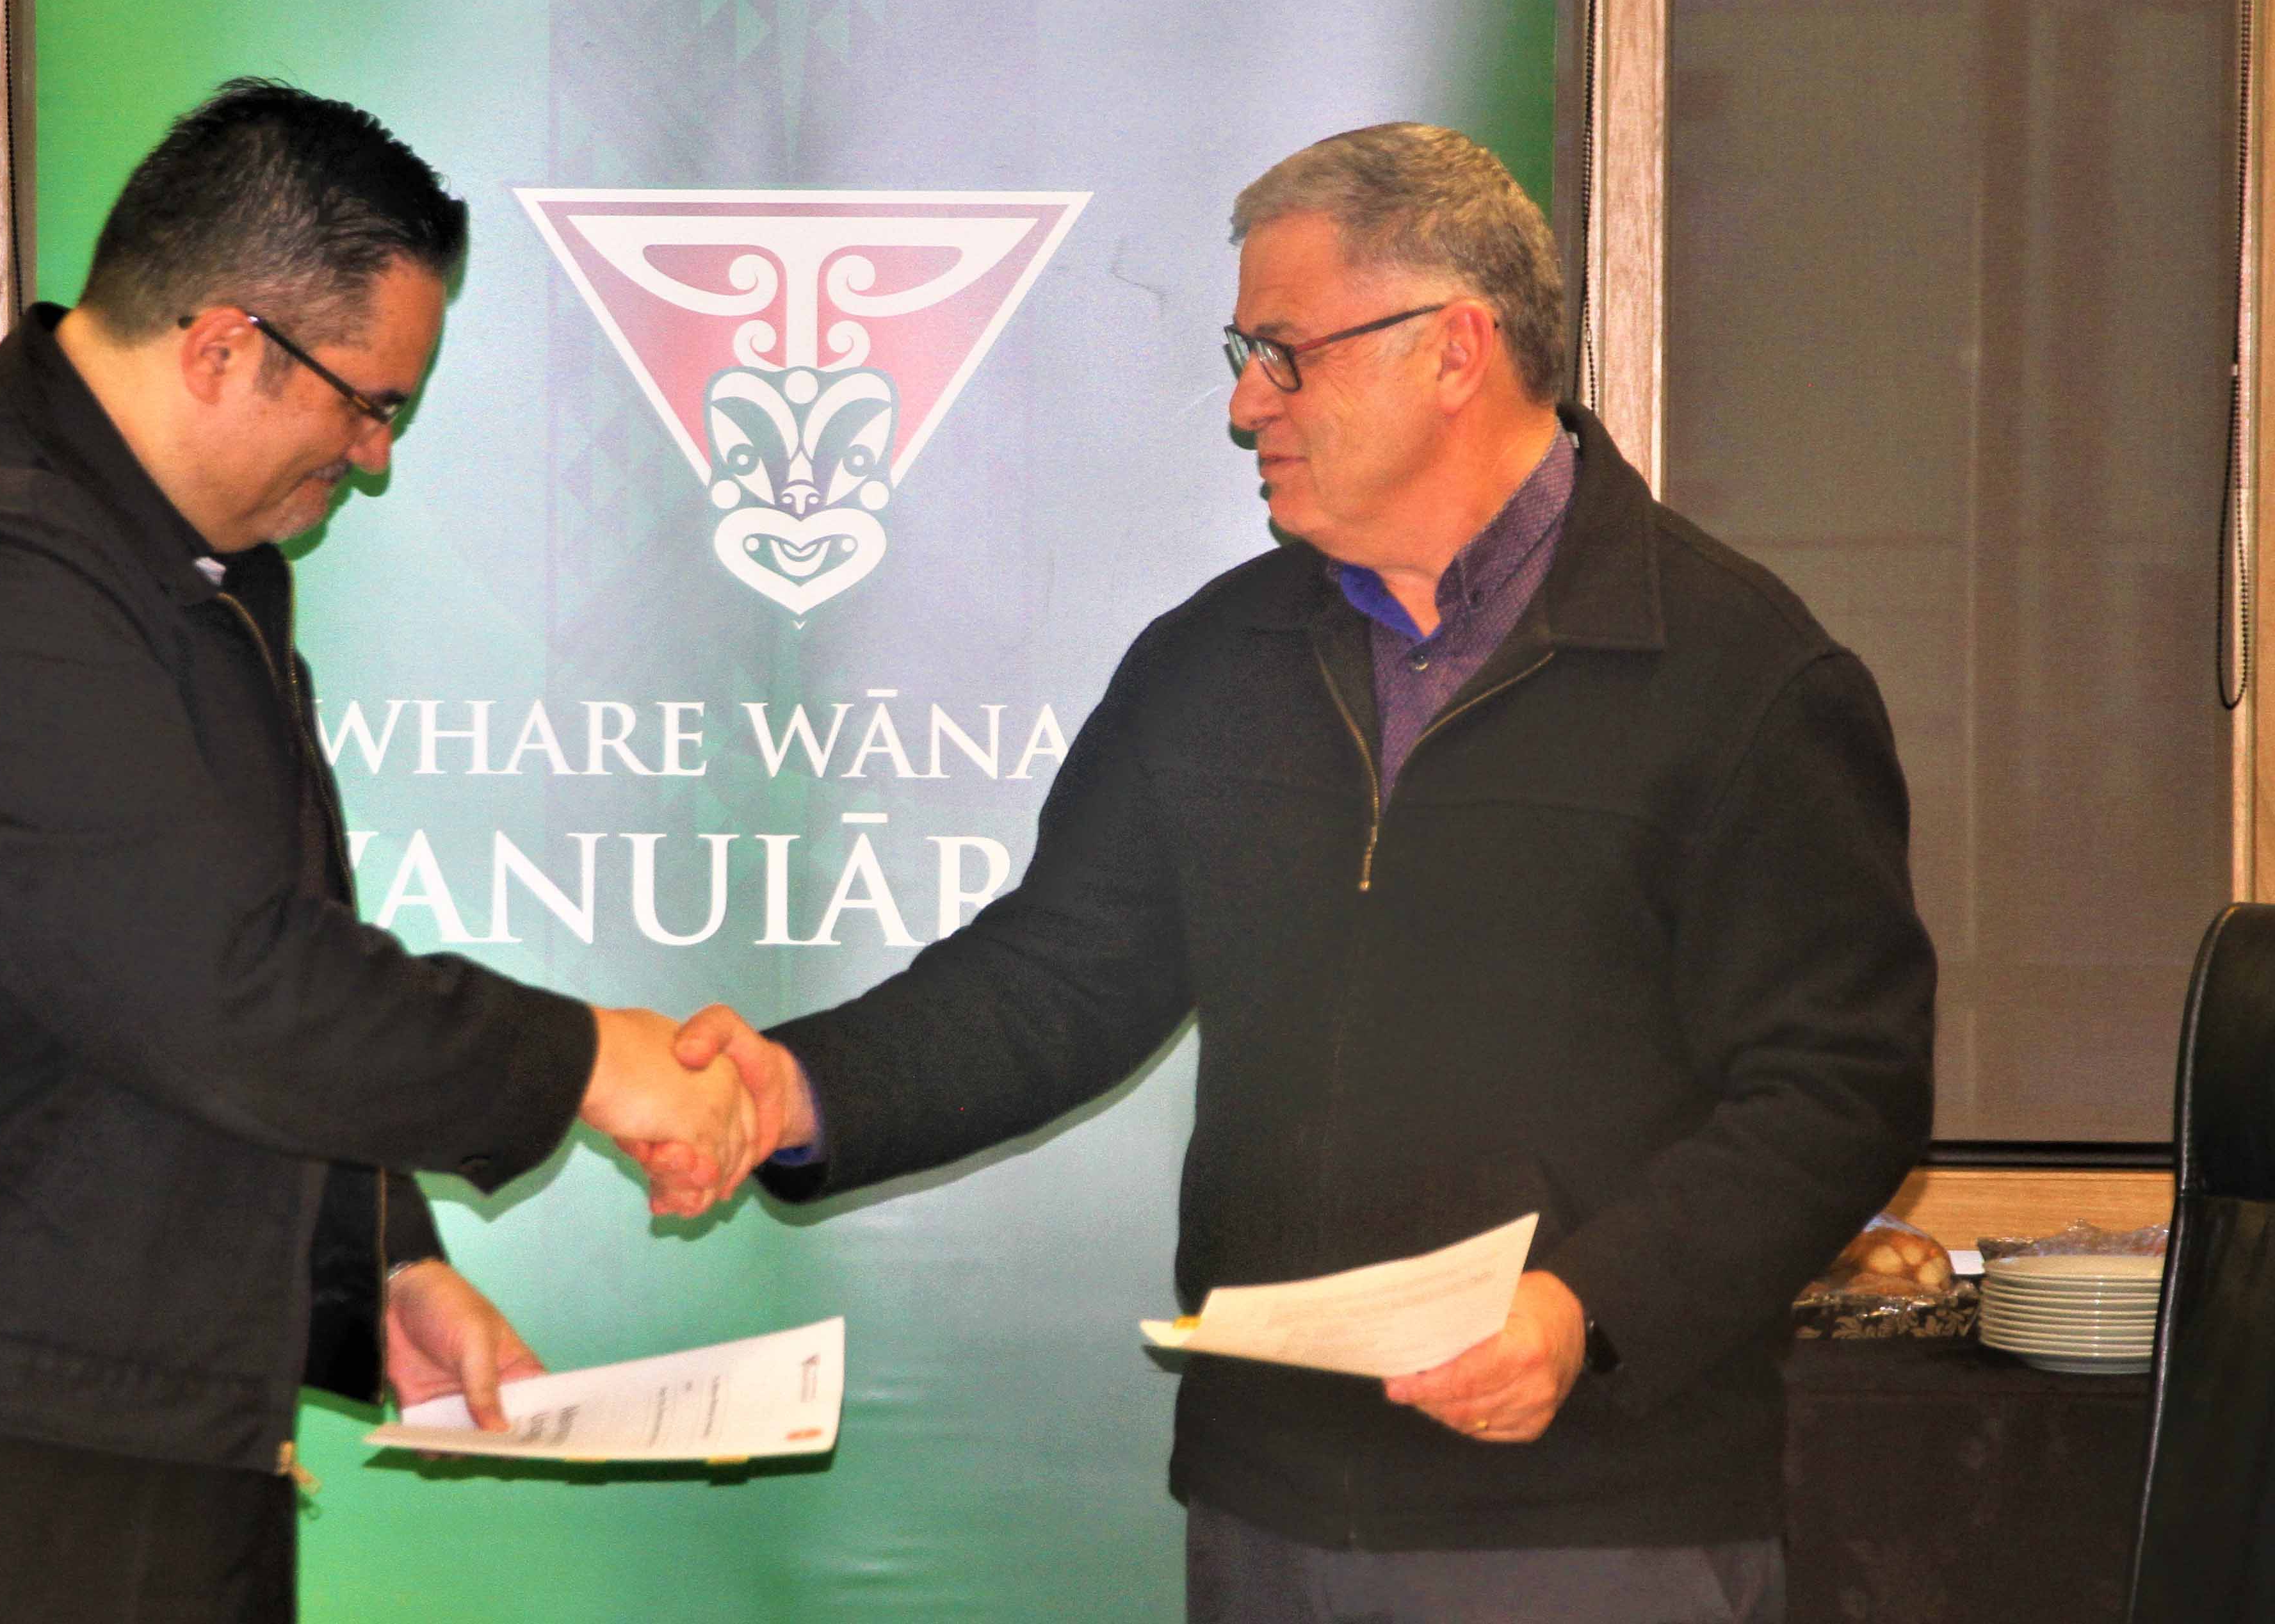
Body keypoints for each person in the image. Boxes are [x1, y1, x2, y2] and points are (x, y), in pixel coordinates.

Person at [657, 124, 1935, 1623]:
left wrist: (1585, 1314)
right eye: (1242, 351)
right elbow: (1055, 980)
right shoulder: (1216, 664)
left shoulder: (1738, 676)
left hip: (1590, 1513)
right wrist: (795, 1091)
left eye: (1285, 352)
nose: (1244, 402)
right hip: (1270, 1511)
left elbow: (1840, 1086)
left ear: (1456, 348)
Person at [0, 78, 752, 1624]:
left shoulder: (181, 559)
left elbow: (209, 970)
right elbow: (217, 987)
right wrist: (589, 1060)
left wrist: (375, 1270)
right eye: (370, 401)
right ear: (224, 343)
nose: (373, 458)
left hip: (100, 1403)